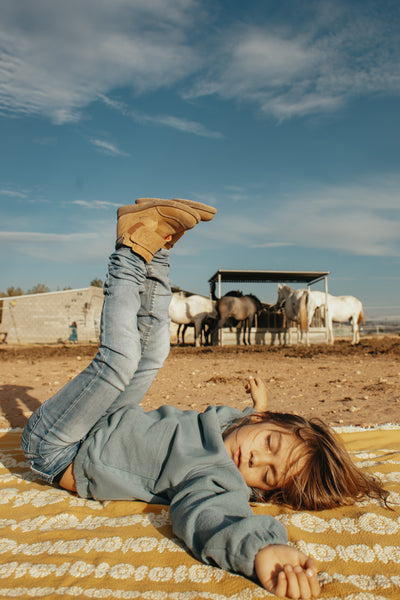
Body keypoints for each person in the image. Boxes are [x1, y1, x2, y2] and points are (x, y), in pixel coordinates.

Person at [21, 198, 388, 599]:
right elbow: (251, 422)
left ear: (259, 491)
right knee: (156, 350)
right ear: (262, 422)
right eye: (270, 444)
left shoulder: (215, 475)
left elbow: (213, 517)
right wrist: (258, 406)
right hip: (111, 417)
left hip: (61, 449)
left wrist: (262, 549)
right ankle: (157, 248)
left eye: (266, 475)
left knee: (121, 360)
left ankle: (129, 251)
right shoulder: (233, 424)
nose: (253, 460)